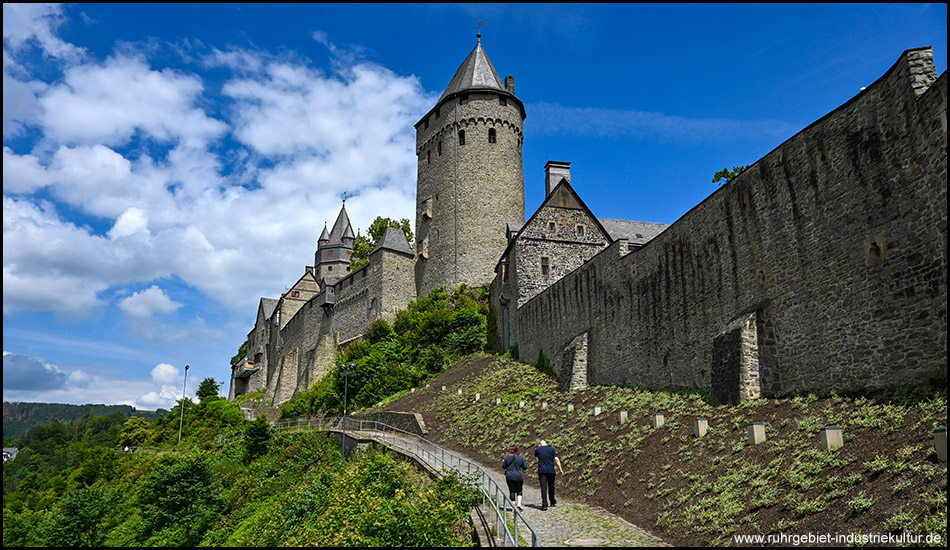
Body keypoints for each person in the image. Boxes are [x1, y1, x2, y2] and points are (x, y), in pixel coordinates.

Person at [533, 440, 564, 510]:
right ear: (546, 444)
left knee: (543, 487)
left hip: (542, 471)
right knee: (551, 486)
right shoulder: (551, 449)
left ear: (540, 444)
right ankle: (552, 501)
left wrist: (538, 448)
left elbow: (535, 455)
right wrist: (560, 470)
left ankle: (544, 504)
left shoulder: (538, 449)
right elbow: (556, 459)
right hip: (551, 470)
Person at [502, 445, 527, 511]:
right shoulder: (521, 458)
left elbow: (503, 467)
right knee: (519, 490)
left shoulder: (507, 458)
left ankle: (513, 506)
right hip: (519, 476)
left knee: (512, 490)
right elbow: (525, 467)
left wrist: (504, 461)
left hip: (510, 476)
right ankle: (519, 504)